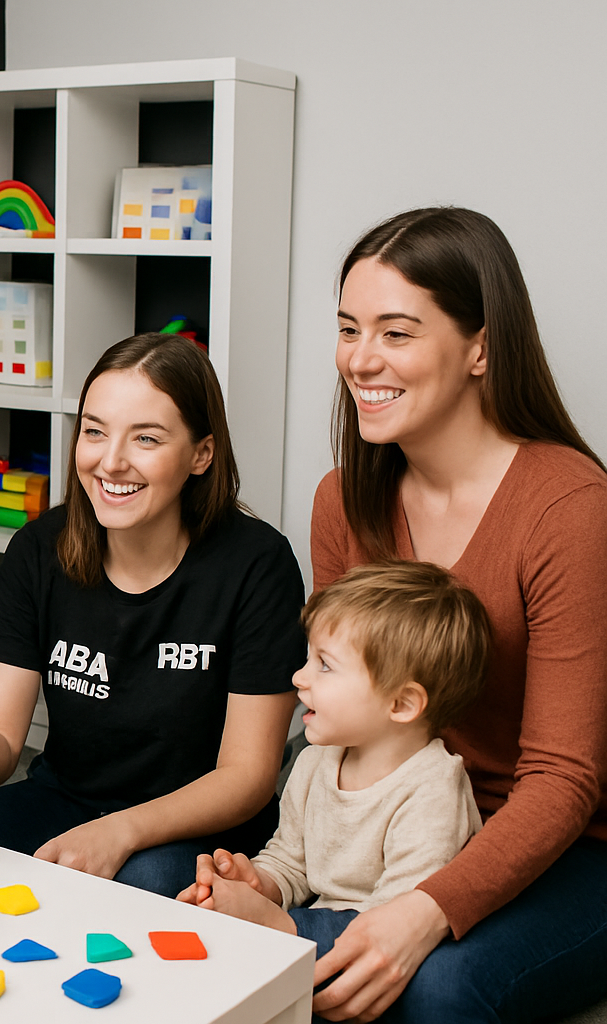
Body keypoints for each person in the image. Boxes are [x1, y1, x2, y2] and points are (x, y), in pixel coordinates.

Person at [309, 206, 607, 1022]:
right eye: (347, 328)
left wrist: (423, 910)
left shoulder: (570, 508)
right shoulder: (344, 501)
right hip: (395, 818)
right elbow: (341, 713)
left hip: (568, 847)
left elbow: (565, 779)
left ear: (480, 347)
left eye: (396, 333)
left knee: (434, 986)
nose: (360, 360)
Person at [0, 332, 304, 898]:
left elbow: (248, 777)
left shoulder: (258, 564)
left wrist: (120, 832)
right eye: (94, 431)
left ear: (201, 454)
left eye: (147, 438)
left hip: (205, 824)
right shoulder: (38, 550)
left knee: (143, 883)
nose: (111, 461)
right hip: (66, 802)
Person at [179, 561, 487, 958]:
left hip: (394, 952)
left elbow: (398, 921)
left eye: (324, 665)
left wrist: (283, 925)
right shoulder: (315, 761)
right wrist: (255, 881)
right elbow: (293, 863)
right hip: (321, 929)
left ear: (402, 703)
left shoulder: (433, 793)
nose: (299, 677)